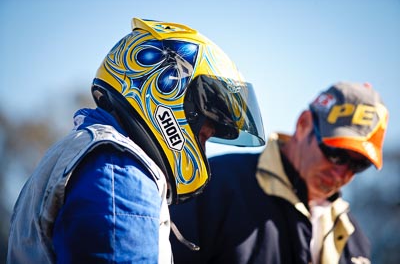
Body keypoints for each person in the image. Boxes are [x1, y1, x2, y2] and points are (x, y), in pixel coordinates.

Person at [6, 18, 265, 264]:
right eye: (204, 136)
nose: (203, 150)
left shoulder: (93, 152)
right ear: (168, 87)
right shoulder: (119, 173)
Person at [170, 82, 389, 264]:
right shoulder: (211, 185)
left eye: (358, 165)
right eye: (336, 154)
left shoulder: (355, 242)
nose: (343, 171)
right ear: (303, 125)